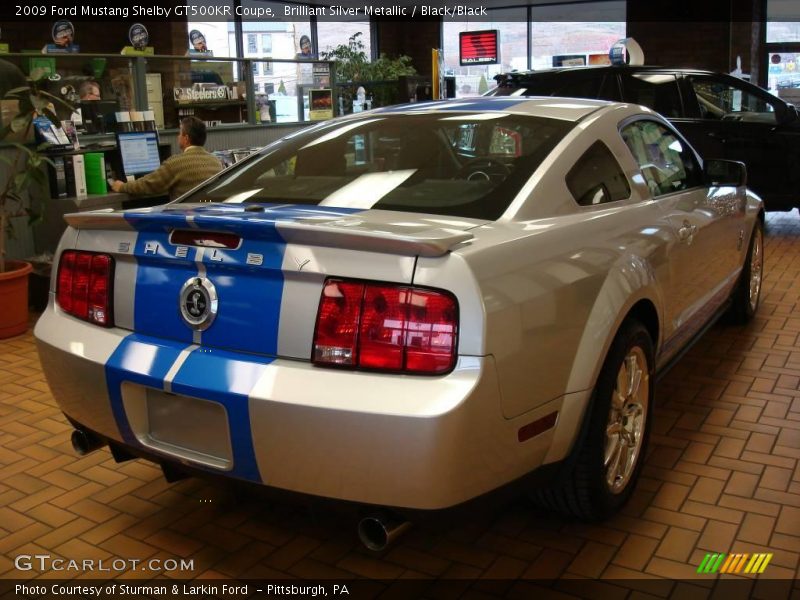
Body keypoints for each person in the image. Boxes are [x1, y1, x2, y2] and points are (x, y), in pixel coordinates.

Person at [110, 116, 223, 201]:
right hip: (209, 218)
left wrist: (122, 186)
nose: (178, 136)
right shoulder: (216, 162)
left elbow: (149, 184)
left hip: (184, 219)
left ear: (186, 138)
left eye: (180, 133)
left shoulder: (176, 163)